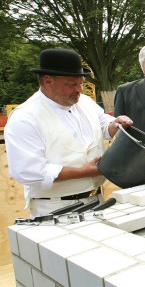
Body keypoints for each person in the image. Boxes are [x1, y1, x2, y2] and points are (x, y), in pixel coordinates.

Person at [5, 49, 133, 217]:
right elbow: (28, 171)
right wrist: (86, 171)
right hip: (55, 210)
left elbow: (103, 124)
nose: (79, 89)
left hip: (97, 201)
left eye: (80, 83)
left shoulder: (85, 102)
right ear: (48, 80)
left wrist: (115, 124)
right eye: (71, 84)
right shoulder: (26, 118)